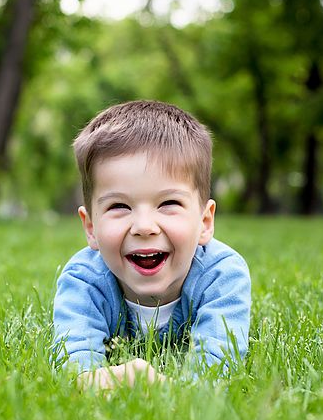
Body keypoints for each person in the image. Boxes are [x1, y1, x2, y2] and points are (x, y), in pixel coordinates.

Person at [53, 100, 251, 390]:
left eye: (168, 203)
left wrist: (158, 387)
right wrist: (105, 379)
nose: (144, 226)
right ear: (91, 227)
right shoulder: (84, 280)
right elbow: (72, 371)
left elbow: (216, 373)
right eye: (119, 206)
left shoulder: (221, 276)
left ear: (205, 222)